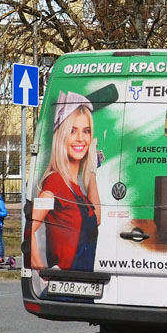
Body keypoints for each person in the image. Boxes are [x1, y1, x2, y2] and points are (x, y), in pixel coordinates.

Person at [31, 92, 100, 272]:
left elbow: (97, 218)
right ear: (61, 134)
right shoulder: (54, 182)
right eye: (72, 130)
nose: (80, 138)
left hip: (84, 285)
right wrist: (42, 271)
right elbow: (29, 227)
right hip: (65, 287)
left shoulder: (75, 189)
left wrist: (91, 167)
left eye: (86, 131)